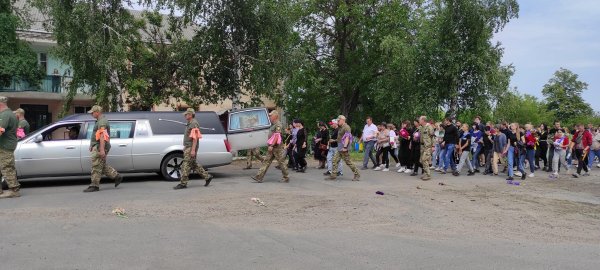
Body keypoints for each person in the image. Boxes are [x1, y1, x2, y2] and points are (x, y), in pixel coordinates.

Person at [83, 105, 123, 192]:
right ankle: (116, 176)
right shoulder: (100, 121)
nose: (91, 114)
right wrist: (92, 145)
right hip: (96, 146)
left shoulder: (102, 122)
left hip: (99, 147)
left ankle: (94, 185)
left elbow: (102, 136)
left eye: (92, 112)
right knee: (101, 165)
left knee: (96, 166)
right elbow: (96, 135)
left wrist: (101, 150)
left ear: (97, 112)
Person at [252, 111, 289, 183]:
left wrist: (272, 145)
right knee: (266, 161)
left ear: (275, 116)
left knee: (281, 162)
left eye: (271, 116)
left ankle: (286, 177)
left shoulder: (278, 124)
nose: (269, 117)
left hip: (276, 147)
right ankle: (259, 177)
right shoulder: (273, 124)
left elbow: (277, 136)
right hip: (272, 147)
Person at [0, 96, 21, 198]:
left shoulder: (5, 115)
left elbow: (0, 130)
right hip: (4, 145)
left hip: (5, 146)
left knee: (7, 167)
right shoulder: (9, 114)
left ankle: (14, 190)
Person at [328, 115, 360, 181]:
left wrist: (345, 147)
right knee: (335, 160)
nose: (338, 122)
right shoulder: (341, 127)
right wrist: (334, 140)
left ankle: (357, 174)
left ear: (343, 120)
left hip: (343, 148)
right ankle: (333, 175)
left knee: (348, 162)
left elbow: (347, 138)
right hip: (340, 147)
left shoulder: (346, 127)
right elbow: (340, 138)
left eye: (338, 120)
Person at [419, 116, 434, 181]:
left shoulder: (429, 127)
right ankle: (425, 173)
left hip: (428, 146)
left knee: (424, 159)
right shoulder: (421, 127)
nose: (419, 121)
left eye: (420, 119)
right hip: (422, 146)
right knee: (422, 160)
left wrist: (433, 146)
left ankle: (428, 175)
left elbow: (432, 137)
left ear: (423, 120)